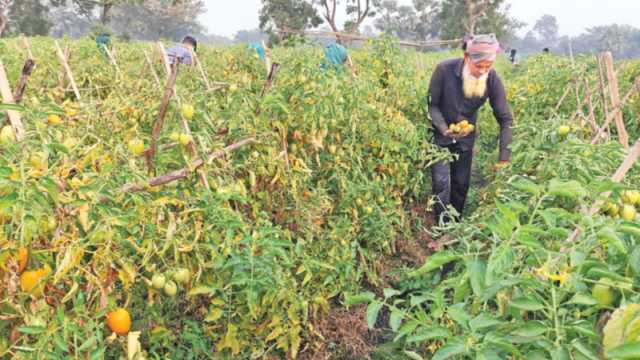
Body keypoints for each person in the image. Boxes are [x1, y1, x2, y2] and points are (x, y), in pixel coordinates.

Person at [427, 33, 513, 223]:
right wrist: (443, 128)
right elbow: (432, 106)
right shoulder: (444, 70)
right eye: (479, 66)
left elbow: (505, 119)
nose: (483, 71)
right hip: (440, 135)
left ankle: (454, 225)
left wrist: (504, 159)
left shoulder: (491, 79)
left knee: (461, 183)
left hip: (466, 138)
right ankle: (441, 225)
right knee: (441, 183)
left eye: (487, 66)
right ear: (467, 58)